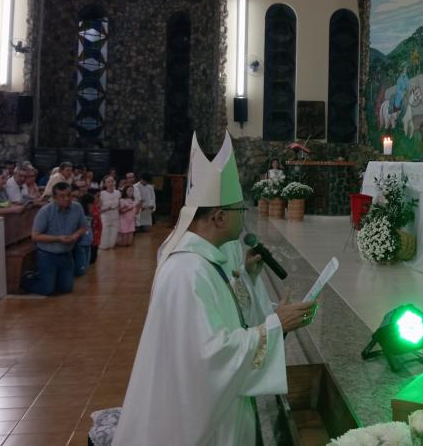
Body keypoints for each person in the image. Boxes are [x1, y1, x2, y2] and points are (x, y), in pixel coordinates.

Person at [113, 133, 316, 445]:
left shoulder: (205, 261)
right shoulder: (187, 272)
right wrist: (276, 325)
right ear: (219, 217)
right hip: (194, 422)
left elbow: (222, 318)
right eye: (240, 211)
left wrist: (255, 289)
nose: (243, 218)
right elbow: (211, 357)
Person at [21, 182, 87, 295]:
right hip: (47, 255)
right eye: (62, 196)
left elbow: (83, 227)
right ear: (54, 198)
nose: (66, 198)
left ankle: (51, 279)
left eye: (69, 195)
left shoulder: (77, 207)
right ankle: (27, 280)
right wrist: (58, 239)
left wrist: (75, 235)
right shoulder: (45, 211)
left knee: (66, 289)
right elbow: (35, 236)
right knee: (47, 290)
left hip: (67, 254)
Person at [99, 175, 120, 250]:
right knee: (104, 233)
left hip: (115, 215)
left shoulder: (118, 193)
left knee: (113, 236)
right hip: (105, 216)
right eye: (108, 182)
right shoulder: (102, 194)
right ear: (105, 184)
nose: (111, 183)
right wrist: (107, 208)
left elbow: (119, 205)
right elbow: (99, 208)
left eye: (112, 181)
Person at [89, 188, 102, 264]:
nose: (99, 198)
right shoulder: (90, 208)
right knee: (91, 259)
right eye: (97, 196)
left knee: (94, 259)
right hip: (93, 237)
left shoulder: (96, 206)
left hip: (97, 236)